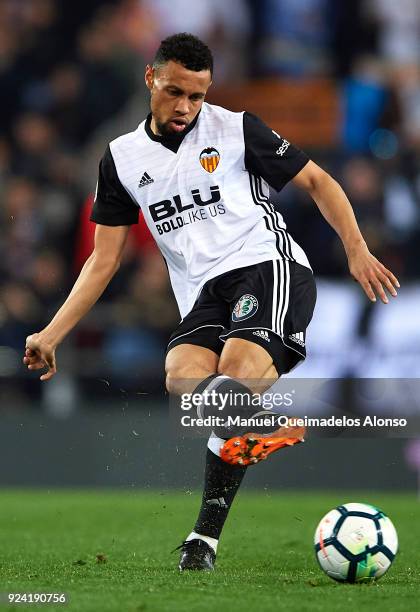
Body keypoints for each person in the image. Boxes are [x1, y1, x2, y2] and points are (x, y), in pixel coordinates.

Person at [23, 33, 399, 572]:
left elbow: (317, 180)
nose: (185, 107)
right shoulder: (122, 160)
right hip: (202, 294)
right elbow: (102, 260)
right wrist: (52, 333)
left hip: (268, 269)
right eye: (175, 92)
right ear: (150, 79)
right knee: (183, 379)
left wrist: (357, 251)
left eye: (197, 96)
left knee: (237, 372)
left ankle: (206, 533)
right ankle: (245, 447)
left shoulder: (236, 128)